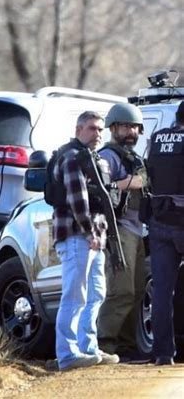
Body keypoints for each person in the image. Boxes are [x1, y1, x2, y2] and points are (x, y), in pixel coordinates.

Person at [49, 111, 119, 371]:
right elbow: (78, 201)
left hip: (93, 238)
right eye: (92, 128)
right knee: (74, 296)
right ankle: (68, 355)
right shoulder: (72, 157)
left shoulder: (93, 158)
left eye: (101, 129)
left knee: (96, 294)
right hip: (78, 236)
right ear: (79, 129)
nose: (98, 134)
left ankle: (88, 349)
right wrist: (90, 232)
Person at [97, 103, 148, 361]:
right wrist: (132, 182)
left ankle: (126, 347)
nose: (131, 132)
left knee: (138, 290)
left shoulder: (133, 157)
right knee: (121, 291)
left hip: (137, 231)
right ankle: (104, 345)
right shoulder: (108, 156)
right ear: (113, 128)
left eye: (135, 127)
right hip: (118, 232)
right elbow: (99, 187)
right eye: (126, 126)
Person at [146, 100, 184, 366]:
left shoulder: (157, 139)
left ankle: (163, 353)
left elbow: (148, 175)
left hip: (159, 221)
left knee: (162, 292)